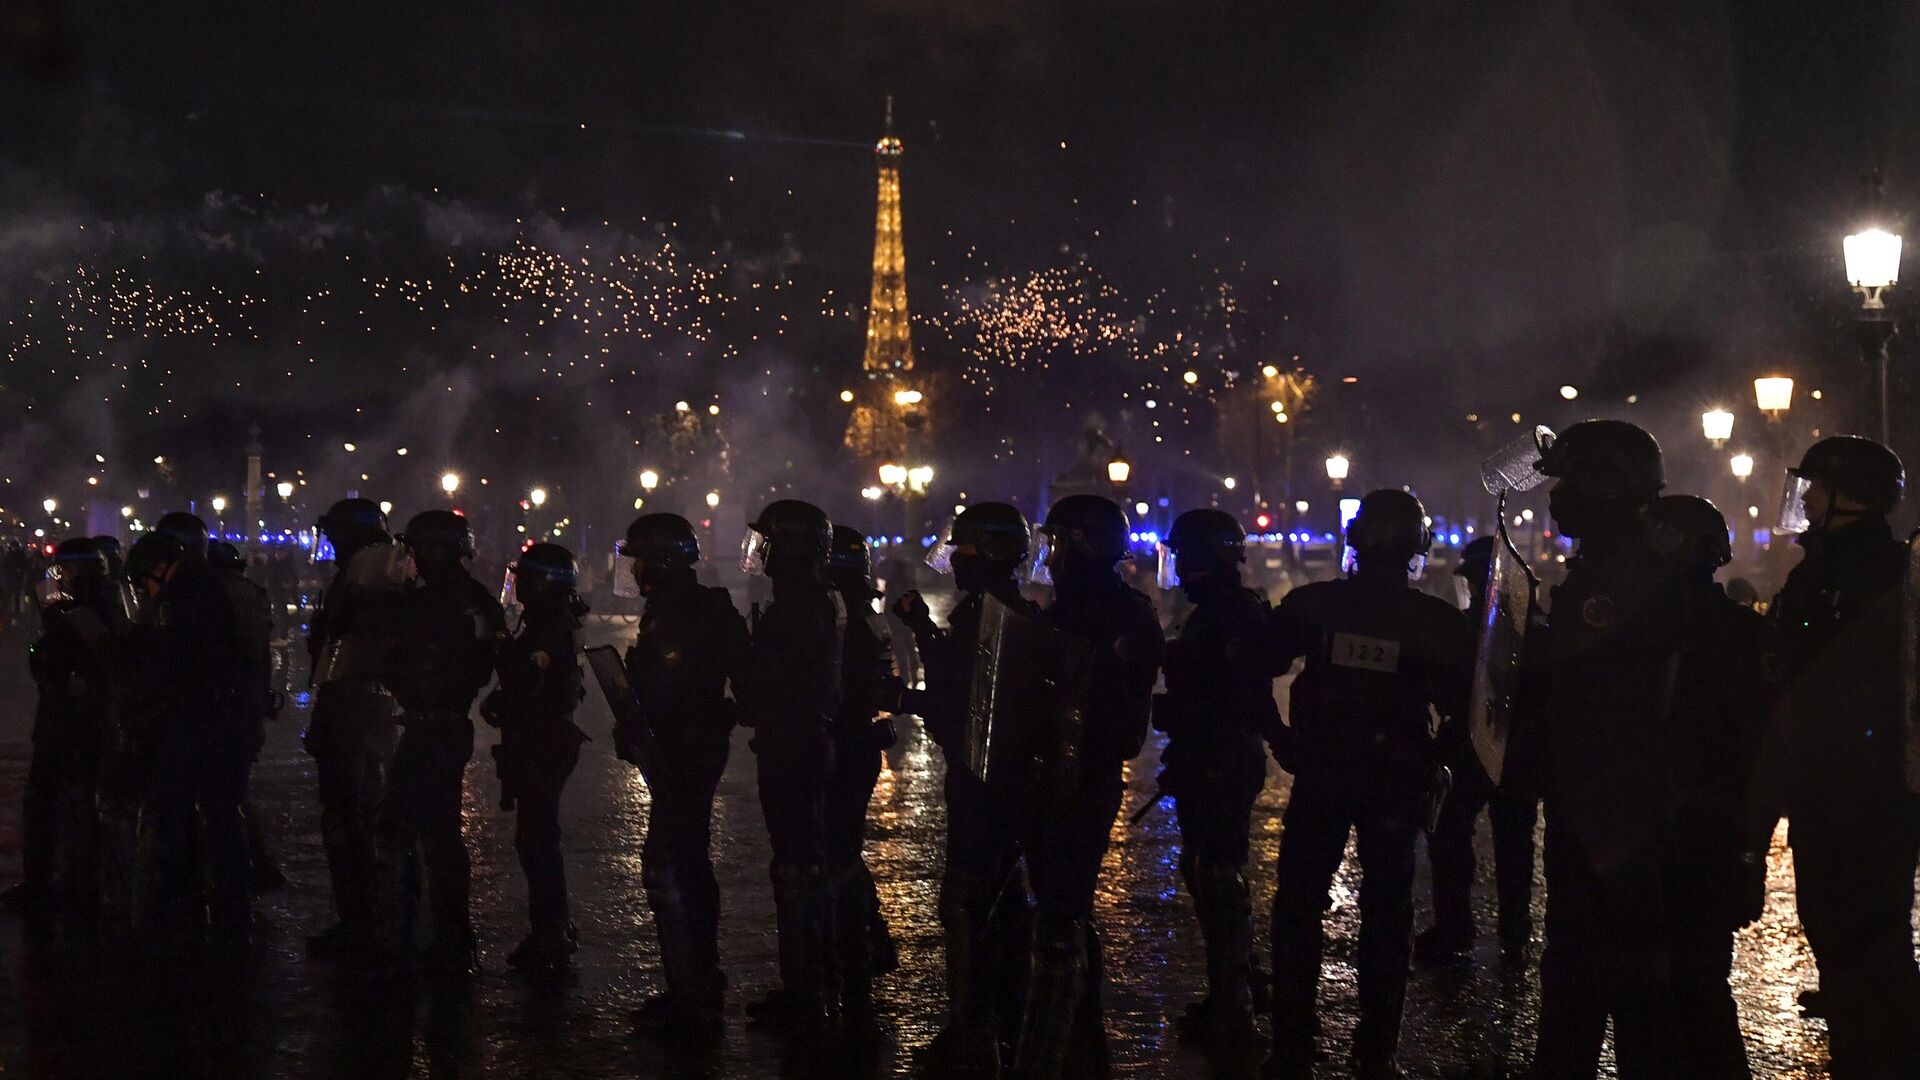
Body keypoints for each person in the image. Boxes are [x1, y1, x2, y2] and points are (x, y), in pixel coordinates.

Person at [1263, 489, 1473, 1080]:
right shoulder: (1433, 622)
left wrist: (1280, 738)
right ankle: (1376, 1047)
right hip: (1395, 781)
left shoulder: (1315, 606)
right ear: (1417, 547)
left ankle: (1291, 1042)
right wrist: (1435, 758)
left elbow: (1253, 668)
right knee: (1389, 908)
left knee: (1299, 905)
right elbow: (1472, 710)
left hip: (1323, 774)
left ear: (1354, 539)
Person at [1753, 435, 1918, 1078]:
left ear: (1849, 495)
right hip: (1871, 788)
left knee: (1856, 937)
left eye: (1818, 487)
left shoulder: (1841, 575)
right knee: (1870, 938)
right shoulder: (1879, 564)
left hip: (1848, 787)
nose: (1808, 498)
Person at [1528, 419, 1686, 1078]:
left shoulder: (1615, 577)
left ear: (1601, 485)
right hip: (1616, 803)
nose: (1557, 495)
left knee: (1592, 972)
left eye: (1567, 480)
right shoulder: (1624, 560)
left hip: (1609, 804)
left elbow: (1590, 691)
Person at [1011, 494, 1164, 1080]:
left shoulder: (1105, 613)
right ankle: (1082, 1040)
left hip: (1077, 776)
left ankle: (1048, 1057)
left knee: (1059, 917)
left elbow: (1109, 719)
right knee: (1062, 908)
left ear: (1080, 545)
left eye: (1058, 542)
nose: (1050, 555)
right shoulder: (1099, 607)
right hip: (1057, 773)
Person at [895, 502, 1041, 1073]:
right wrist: (925, 631)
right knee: (1000, 900)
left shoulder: (990, 614)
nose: (954, 563)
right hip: (999, 775)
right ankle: (1005, 1021)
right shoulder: (1006, 608)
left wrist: (905, 698)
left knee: (968, 901)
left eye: (964, 552)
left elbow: (966, 701)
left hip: (984, 778)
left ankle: (975, 1033)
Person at [1645, 494, 1766, 1078]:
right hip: (1712, 827)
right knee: (1701, 981)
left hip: (1664, 826)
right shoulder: (1743, 633)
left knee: (1664, 986)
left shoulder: (1637, 628)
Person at [618, 513, 749, 1033]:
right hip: (674, 745)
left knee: (669, 865)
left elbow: (735, 680)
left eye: (642, 560)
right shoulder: (673, 608)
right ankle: (695, 981)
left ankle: (691, 992)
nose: (635, 570)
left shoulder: (699, 610)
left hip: (688, 748)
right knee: (685, 859)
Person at [1154, 509, 1277, 1046]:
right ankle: (1239, 983)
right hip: (1212, 755)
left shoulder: (1225, 615)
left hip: (1218, 758)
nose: (1177, 564)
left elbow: (1238, 694)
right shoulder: (1220, 610)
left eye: (1182, 554)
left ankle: (1236, 1002)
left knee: (1217, 873)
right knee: (1207, 867)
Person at [373, 509, 504, 976]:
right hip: (446, 721)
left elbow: (395, 657)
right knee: (436, 832)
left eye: (422, 549)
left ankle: (421, 935)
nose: (416, 559)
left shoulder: (433, 602)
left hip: (434, 723)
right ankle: (446, 933)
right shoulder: (476, 600)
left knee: (409, 829)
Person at [736, 499, 845, 1030]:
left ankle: (807, 989)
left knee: (798, 865)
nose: (762, 555)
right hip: (796, 741)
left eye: (770, 544)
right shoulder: (804, 601)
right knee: (799, 862)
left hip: (794, 745)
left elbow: (784, 685)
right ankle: (808, 981)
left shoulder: (800, 608)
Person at [123, 522, 254, 953]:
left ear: (158, 568)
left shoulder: (184, 597)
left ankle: (188, 911)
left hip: (196, 721)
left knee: (188, 814)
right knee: (221, 814)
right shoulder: (207, 588)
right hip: (221, 718)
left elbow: (170, 662)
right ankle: (231, 912)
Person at [1416, 534, 1539, 966]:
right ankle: (1511, 933)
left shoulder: (1463, 630)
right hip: (1514, 753)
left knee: (1457, 836)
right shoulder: (1534, 632)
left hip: (1481, 749)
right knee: (1510, 843)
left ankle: (1460, 928)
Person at [303, 498, 407, 961]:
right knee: (364, 817)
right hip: (366, 702)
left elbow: (347, 643)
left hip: (354, 702)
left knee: (349, 816)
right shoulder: (385, 568)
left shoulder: (370, 571)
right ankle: (379, 922)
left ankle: (364, 924)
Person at [484, 542, 588, 973]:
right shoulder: (548, 620)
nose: (518, 585)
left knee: (537, 840)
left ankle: (551, 935)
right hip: (543, 737)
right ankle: (553, 928)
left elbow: (531, 681)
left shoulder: (547, 626)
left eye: (525, 578)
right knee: (537, 836)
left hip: (542, 738)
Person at [12, 538, 123, 937]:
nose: (58, 578)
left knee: (76, 802)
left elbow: (70, 658)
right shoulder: (79, 607)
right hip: (61, 715)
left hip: (79, 718)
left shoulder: (92, 610)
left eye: (65, 570)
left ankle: (80, 887)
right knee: (44, 800)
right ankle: (46, 880)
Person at [823, 525, 902, 1014]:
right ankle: (862, 947)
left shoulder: (842, 620)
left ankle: (855, 954)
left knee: (833, 854)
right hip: (859, 744)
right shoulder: (862, 613)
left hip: (841, 745)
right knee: (842, 851)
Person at [208, 539, 285, 896]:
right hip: (245, 707)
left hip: (223, 708)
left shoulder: (213, 596)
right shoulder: (249, 593)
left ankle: (239, 881)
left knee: (222, 798)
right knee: (231, 794)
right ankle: (256, 868)